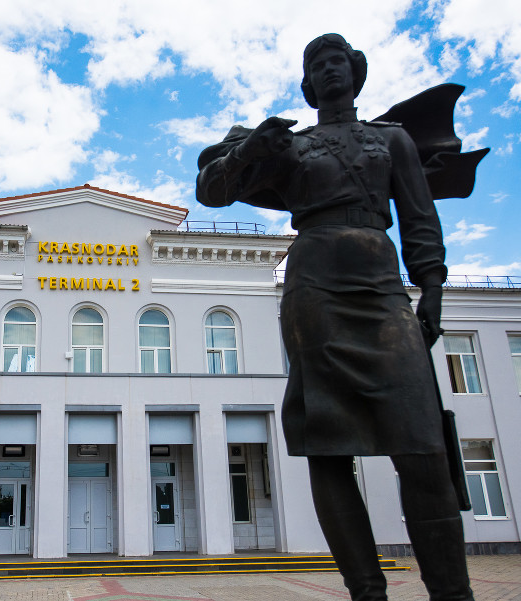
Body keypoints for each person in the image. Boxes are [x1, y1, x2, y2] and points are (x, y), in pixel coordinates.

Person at [196, 34, 475, 601]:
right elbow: (210, 192)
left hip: (381, 284)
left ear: (355, 72)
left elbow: (419, 217)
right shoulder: (291, 146)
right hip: (314, 288)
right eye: (317, 65)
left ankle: (453, 593)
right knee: (328, 447)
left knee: (423, 447)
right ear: (307, 84)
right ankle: (367, 593)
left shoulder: (391, 139)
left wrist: (432, 288)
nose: (328, 70)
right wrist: (251, 151)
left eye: (336, 62)